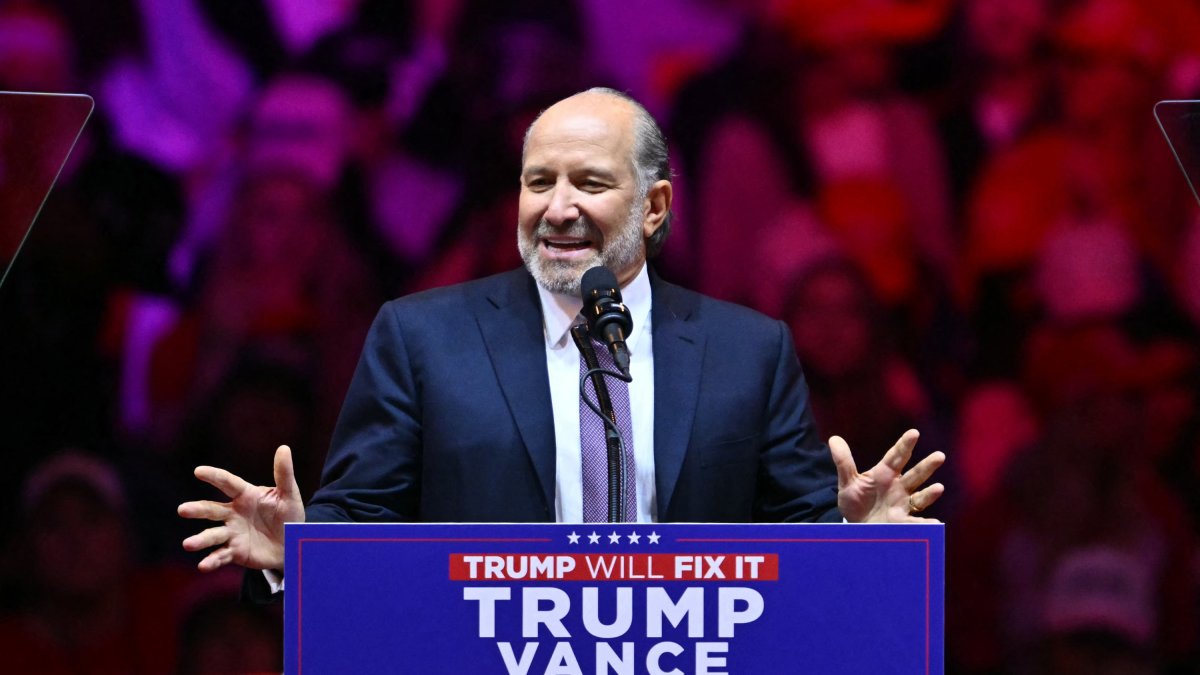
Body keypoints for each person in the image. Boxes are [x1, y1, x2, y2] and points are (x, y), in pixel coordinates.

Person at [178, 87, 945, 577]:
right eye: (538, 181)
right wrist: (302, 546)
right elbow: (365, 518)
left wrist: (855, 539)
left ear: (654, 207)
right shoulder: (422, 339)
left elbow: (797, 539)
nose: (557, 207)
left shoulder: (747, 352)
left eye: (591, 182)